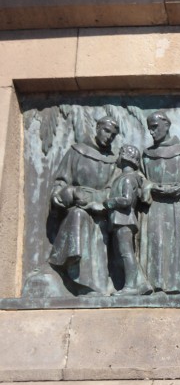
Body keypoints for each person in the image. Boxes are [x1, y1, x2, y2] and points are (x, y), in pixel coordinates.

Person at [48, 117, 120, 295]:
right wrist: (60, 195)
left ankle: (95, 284)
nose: (109, 137)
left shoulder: (113, 161)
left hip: (100, 209)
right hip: (76, 206)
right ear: (97, 128)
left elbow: (113, 189)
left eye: (113, 135)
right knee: (78, 216)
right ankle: (72, 273)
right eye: (106, 131)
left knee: (98, 224)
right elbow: (61, 182)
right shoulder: (77, 151)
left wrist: (97, 201)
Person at [140, 111, 180, 294]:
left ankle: (176, 287)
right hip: (152, 209)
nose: (151, 132)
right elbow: (139, 179)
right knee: (154, 246)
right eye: (149, 128)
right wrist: (150, 187)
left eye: (154, 127)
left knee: (175, 248)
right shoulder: (146, 155)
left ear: (166, 125)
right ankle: (152, 286)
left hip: (175, 208)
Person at [105, 145, 152, 295]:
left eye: (119, 154)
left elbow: (126, 200)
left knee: (126, 253)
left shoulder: (127, 179)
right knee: (121, 254)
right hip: (119, 219)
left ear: (125, 158)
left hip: (124, 220)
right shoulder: (125, 178)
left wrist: (110, 202)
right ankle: (141, 284)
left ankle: (131, 287)